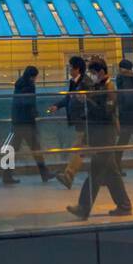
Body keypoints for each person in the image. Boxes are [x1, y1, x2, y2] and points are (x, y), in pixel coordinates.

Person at [67, 57, 131, 220]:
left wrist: (87, 100)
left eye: (94, 73)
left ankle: (83, 207)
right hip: (100, 134)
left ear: (101, 72)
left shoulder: (110, 87)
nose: (92, 75)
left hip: (106, 135)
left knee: (96, 173)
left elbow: (106, 113)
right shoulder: (100, 85)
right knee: (111, 173)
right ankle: (124, 205)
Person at [2, 65, 53, 185]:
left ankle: (6, 175)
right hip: (26, 123)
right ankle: (44, 173)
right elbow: (29, 104)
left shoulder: (19, 84)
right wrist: (35, 114)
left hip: (17, 121)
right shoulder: (29, 85)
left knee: (12, 150)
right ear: (32, 76)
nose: (35, 79)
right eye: (35, 77)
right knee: (36, 149)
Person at [49, 54, 92, 189]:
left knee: (78, 148)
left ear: (77, 69)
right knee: (90, 149)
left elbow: (91, 100)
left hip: (85, 120)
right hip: (79, 120)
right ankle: (106, 175)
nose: (69, 70)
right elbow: (69, 99)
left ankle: (69, 175)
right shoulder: (74, 82)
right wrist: (57, 105)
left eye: (71, 68)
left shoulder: (86, 82)